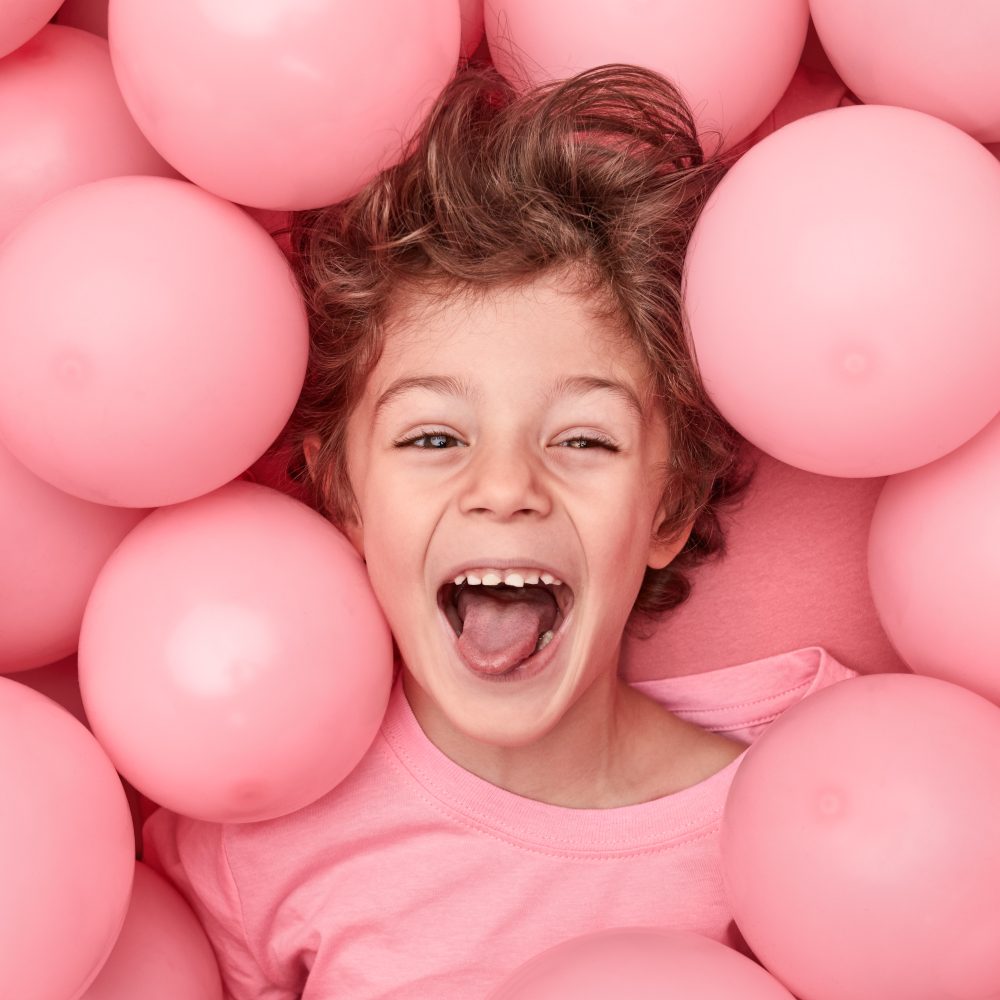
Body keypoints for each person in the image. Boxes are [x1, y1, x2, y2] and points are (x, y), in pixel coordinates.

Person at [143, 62, 858, 998]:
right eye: (434, 436)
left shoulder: (821, 809)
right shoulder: (255, 835)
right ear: (345, 498)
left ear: (670, 509)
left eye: (583, 439)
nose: (507, 486)